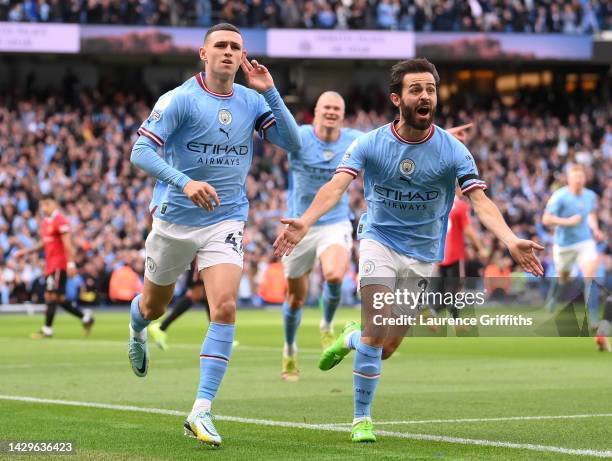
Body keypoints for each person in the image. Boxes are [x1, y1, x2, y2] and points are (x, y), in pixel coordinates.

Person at [274, 58, 543, 443]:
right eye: (416, 89)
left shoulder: (453, 151)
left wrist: (510, 238)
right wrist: (305, 220)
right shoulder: (371, 143)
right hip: (378, 241)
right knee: (377, 326)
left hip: (422, 254)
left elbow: (481, 201)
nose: (425, 96)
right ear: (397, 99)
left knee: (385, 347)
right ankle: (361, 419)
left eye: (430, 89)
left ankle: (350, 336)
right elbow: (336, 187)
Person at [127, 23, 301, 447]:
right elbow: (140, 151)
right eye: (220, 46)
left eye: (235, 47)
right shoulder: (180, 99)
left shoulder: (250, 99)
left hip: (226, 218)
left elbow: (293, 143)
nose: (227, 52)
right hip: (174, 217)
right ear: (202, 55)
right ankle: (136, 329)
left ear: (243, 58)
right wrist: (184, 182)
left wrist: (270, 90)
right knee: (153, 306)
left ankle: (200, 410)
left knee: (223, 307)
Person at [280, 91, 362, 381]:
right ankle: (290, 350)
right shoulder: (299, 137)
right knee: (295, 299)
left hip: (335, 222)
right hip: (299, 224)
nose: (331, 111)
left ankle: (327, 326)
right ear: (316, 111)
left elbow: (392, 140)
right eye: (326, 107)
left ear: (342, 114)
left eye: (336, 108)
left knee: (335, 275)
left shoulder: (354, 138)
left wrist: (435, 138)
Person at [14, 194, 94, 338]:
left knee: (50, 295)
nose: (44, 208)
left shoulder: (60, 221)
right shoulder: (45, 222)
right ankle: (86, 318)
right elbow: (43, 243)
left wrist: (70, 263)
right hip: (50, 265)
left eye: (47, 204)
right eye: (42, 205)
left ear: (54, 204)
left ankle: (47, 330)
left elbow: (68, 244)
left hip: (59, 265)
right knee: (59, 299)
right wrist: (25, 251)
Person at [542, 164, 604, 327]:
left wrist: (595, 228)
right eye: (576, 177)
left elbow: (590, 214)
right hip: (564, 245)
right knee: (563, 278)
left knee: (590, 276)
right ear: (569, 179)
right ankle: (553, 297)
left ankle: (592, 318)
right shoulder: (559, 196)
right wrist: (567, 222)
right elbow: (546, 219)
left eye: (581, 177)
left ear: (585, 178)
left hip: (585, 241)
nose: (579, 180)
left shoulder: (590, 196)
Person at [428, 186, 488, 331]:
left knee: (440, 289)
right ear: (456, 188)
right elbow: (468, 230)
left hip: (438, 254)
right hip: (454, 254)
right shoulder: (461, 206)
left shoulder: (439, 204)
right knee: (454, 290)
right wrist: (480, 248)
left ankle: (435, 317)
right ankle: (455, 322)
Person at [149, 261, 211, 351]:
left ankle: (218, 335)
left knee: (206, 294)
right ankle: (161, 327)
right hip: (201, 256)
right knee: (196, 294)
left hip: (206, 256)